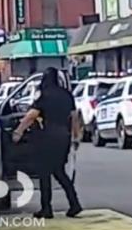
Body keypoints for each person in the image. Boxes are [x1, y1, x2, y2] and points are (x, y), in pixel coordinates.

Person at [12, 67, 83, 219]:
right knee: (59, 172)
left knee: (44, 173)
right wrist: (76, 137)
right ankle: (74, 203)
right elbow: (74, 117)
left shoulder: (44, 95)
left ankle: (46, 208)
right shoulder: (67, 95)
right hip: (63, 136)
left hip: (47, 137)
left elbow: (31, 115)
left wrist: (18, 131)